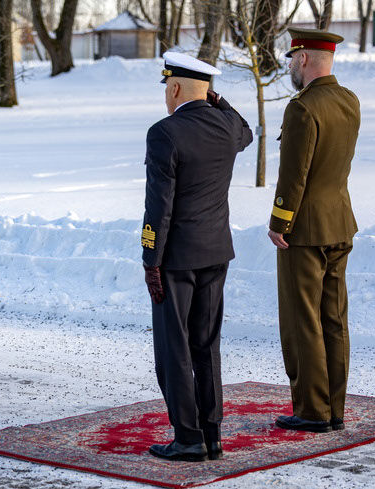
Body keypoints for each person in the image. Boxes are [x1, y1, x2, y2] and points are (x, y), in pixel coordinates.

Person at [142, 52, 252, 461]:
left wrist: (150, 258)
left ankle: (188, 438)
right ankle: (213, 432)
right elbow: (246, 131)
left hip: (176, 258)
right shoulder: (226, 127)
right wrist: (215, 100)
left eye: (166, 90)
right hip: (216, 251)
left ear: (173, 88)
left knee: (176, 348)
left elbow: (159, 207)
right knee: (206, 344)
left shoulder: (165, 133)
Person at [268, 28, 360, 433]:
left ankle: (311, 411)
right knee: (334, 319)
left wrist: (279, 222)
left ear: (304, 58)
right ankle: (334, 408)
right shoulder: (348, 100)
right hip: (340, 221)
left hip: (304, 230)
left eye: (292, 58)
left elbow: (294, 176)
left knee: (303, 320)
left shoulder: (302, 108)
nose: (290, 64)